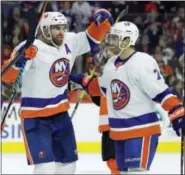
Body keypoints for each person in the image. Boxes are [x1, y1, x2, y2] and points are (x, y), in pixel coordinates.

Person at [2, 10, 114, 174]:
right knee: (46, 168)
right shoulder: (30, 47)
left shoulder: (70, 41)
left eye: (63, 27)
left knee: (68, 167)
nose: (61, 31)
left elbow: (92, 36)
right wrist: (21, 60)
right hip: (35, 118)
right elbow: (6, 76)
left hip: (61, 115)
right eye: (56, 28)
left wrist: (103, 21)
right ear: (46, 30)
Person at [68, 21, 185, 174]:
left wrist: (176, 110)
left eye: (114, 38)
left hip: (141, 130)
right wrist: (76, 78)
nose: (109, 42)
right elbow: (102, 87)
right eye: (109, 38)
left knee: (136, 172)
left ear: (127, 41)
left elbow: (160, 91)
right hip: (118, 132)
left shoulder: (143, 62)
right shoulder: (111, 64)